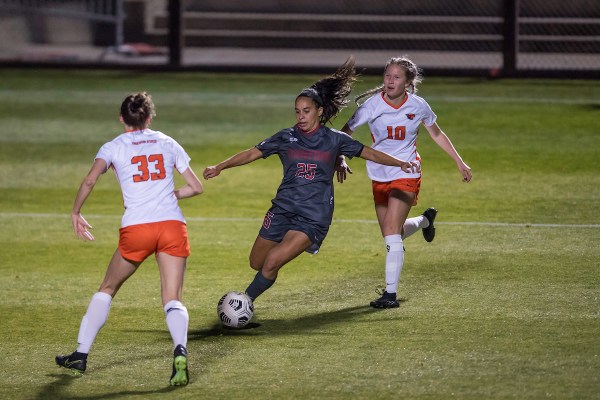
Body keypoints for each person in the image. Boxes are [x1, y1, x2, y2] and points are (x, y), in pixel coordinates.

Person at [203, 57, 419, 306]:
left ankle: (244, 303)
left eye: (306, 111)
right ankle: (275, 261)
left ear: (319, 111)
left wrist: (400, 163)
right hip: (282, 209)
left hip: (313, 216)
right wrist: (220, 167)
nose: (301, 117)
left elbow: (369, 152)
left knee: (272, 262)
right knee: (257, 262)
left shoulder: (335, 139)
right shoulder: (286, 137)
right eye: (297, 112)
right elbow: (251, 153)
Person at [55, 92, 203, 386]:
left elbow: (89, 179)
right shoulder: (167, 141)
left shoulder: (113, 146)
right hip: (172, 226)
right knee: (172, 298)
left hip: (137, 229)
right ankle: (180, 350)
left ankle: (81, 355)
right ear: (150, 117)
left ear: (122, 118)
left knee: (108, 287)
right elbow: (195, 187)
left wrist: (75, 211)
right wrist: (173, 194)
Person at [337, 56, 472, 309]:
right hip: (379, 172)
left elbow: (437, 133)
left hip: (408, 172)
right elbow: (345, 133)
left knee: (391, 232)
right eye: (387, 75)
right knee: (393, 233)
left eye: (396, 77)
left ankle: (390, 295)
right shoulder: (372, 105)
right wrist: (341, 156)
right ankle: (425, 221)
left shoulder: (418, 106)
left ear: (408, 83)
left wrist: (459, 161)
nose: (390, 81)